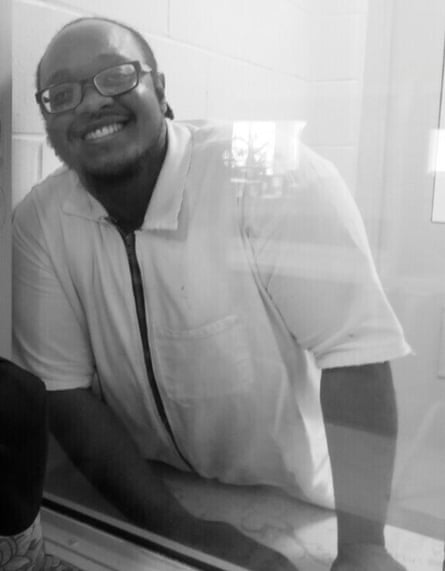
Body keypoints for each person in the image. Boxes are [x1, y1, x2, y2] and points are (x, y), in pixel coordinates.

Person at [12, 15, 411, 571]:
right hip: (152, 489)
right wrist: (177, 527)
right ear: (48, 119)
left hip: (296, 497)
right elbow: (63, 391)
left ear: (161, 89)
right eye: (62, 93)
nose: (89, 103)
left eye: (116, 77)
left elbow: (355, 354)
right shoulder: (39, 221)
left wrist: (364, 546)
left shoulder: (272, 173)